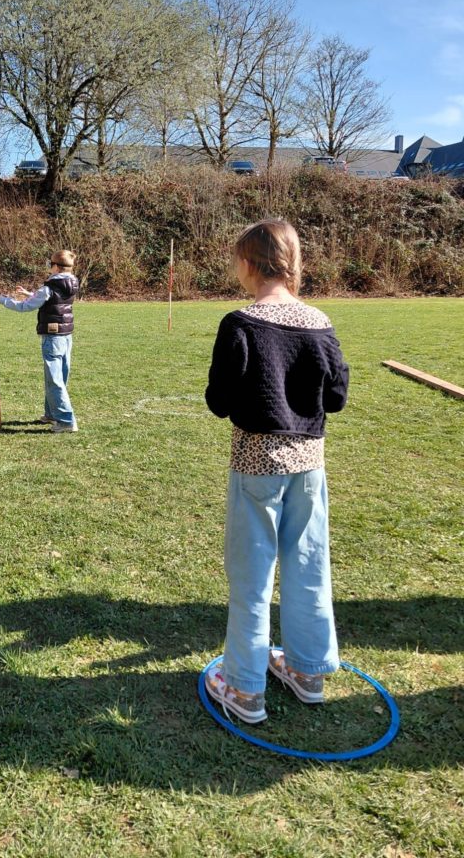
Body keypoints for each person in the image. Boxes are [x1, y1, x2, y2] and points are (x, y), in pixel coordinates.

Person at [203, 219, 349, 724]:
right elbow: (337, 397)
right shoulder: (320, 322)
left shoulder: (240, 324)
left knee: (252, 576)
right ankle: (308, 672)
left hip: (256, 464)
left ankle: (245, 688)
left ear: (248, 264)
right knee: (309, 567)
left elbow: (219, 402)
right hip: (309, 465)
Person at [0, 249, 79, 432]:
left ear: (55, 267)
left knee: (54, 380)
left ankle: (66, 421)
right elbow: (53, 301)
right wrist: (30, 293)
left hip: (52, 338)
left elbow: (24, 307)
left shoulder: (48, 288)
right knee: (59, 377)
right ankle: (52, 414)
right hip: (66, 336)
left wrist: (1, 299)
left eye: (50, 264)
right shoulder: (72, 282)